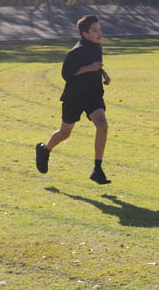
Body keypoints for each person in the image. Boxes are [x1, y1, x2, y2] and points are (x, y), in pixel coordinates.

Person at [36, 15, 112, 184]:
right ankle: (45, 150)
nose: (99, 33)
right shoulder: (76, 51)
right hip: (75, 96)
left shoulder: (96, 46)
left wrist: (103, 73)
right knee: (65, 133)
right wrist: (88, 68)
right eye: (95, 30)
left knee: (103, 126)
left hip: (93, 95)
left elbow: (95, 65)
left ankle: (97, 169)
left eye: (100, 29)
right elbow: (66, 74)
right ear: (85, 33)